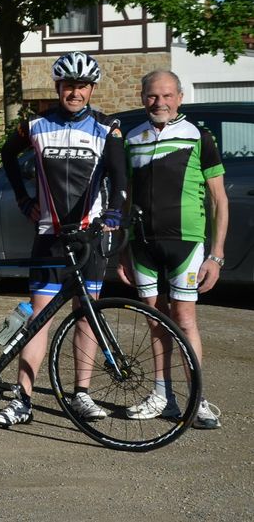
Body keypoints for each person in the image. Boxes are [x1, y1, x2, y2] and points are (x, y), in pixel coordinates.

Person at [0, 51, 126, 427]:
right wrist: (22, 198)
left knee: (87, 317)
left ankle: (81, 393)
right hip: (49, 237)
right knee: (38, 320)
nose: (75, 92)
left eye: (82, 86)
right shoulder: (35, 125)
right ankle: (22, 398)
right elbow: (6, 154)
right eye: (68, 85)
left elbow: (120, 177)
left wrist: (114, 212)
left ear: (91, 88)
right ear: (58, 87)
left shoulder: (107, 126)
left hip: (89, 239)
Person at [119, 69, 227, 429]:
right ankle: (162, 395)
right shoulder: (132, 139)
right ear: (142, 97)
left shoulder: (199, 136)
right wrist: (123, 247)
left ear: (180, 97)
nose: (159, 102)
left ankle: (197, 399)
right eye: (152, 96)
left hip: (186, 243)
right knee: (154, 322)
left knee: (184, 320)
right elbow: (127, 197)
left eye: (167, 96)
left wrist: (216, 254)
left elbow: (220, 201)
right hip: (143, 244)